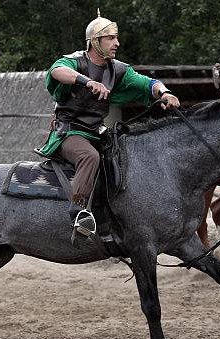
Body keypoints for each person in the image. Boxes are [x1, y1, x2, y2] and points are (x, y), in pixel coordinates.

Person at [40, 9, 180, 240]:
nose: (117, 43)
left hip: (97, 133)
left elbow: (148, 83)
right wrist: (87, 82)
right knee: (89, 157)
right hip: (68, 133)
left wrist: (164, 92)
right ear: (95, 41)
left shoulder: (119, 69)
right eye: (110, 38)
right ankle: (79, 213)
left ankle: (116, 217)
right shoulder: (74, 61)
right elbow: (57, 71)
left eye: (116, 38)